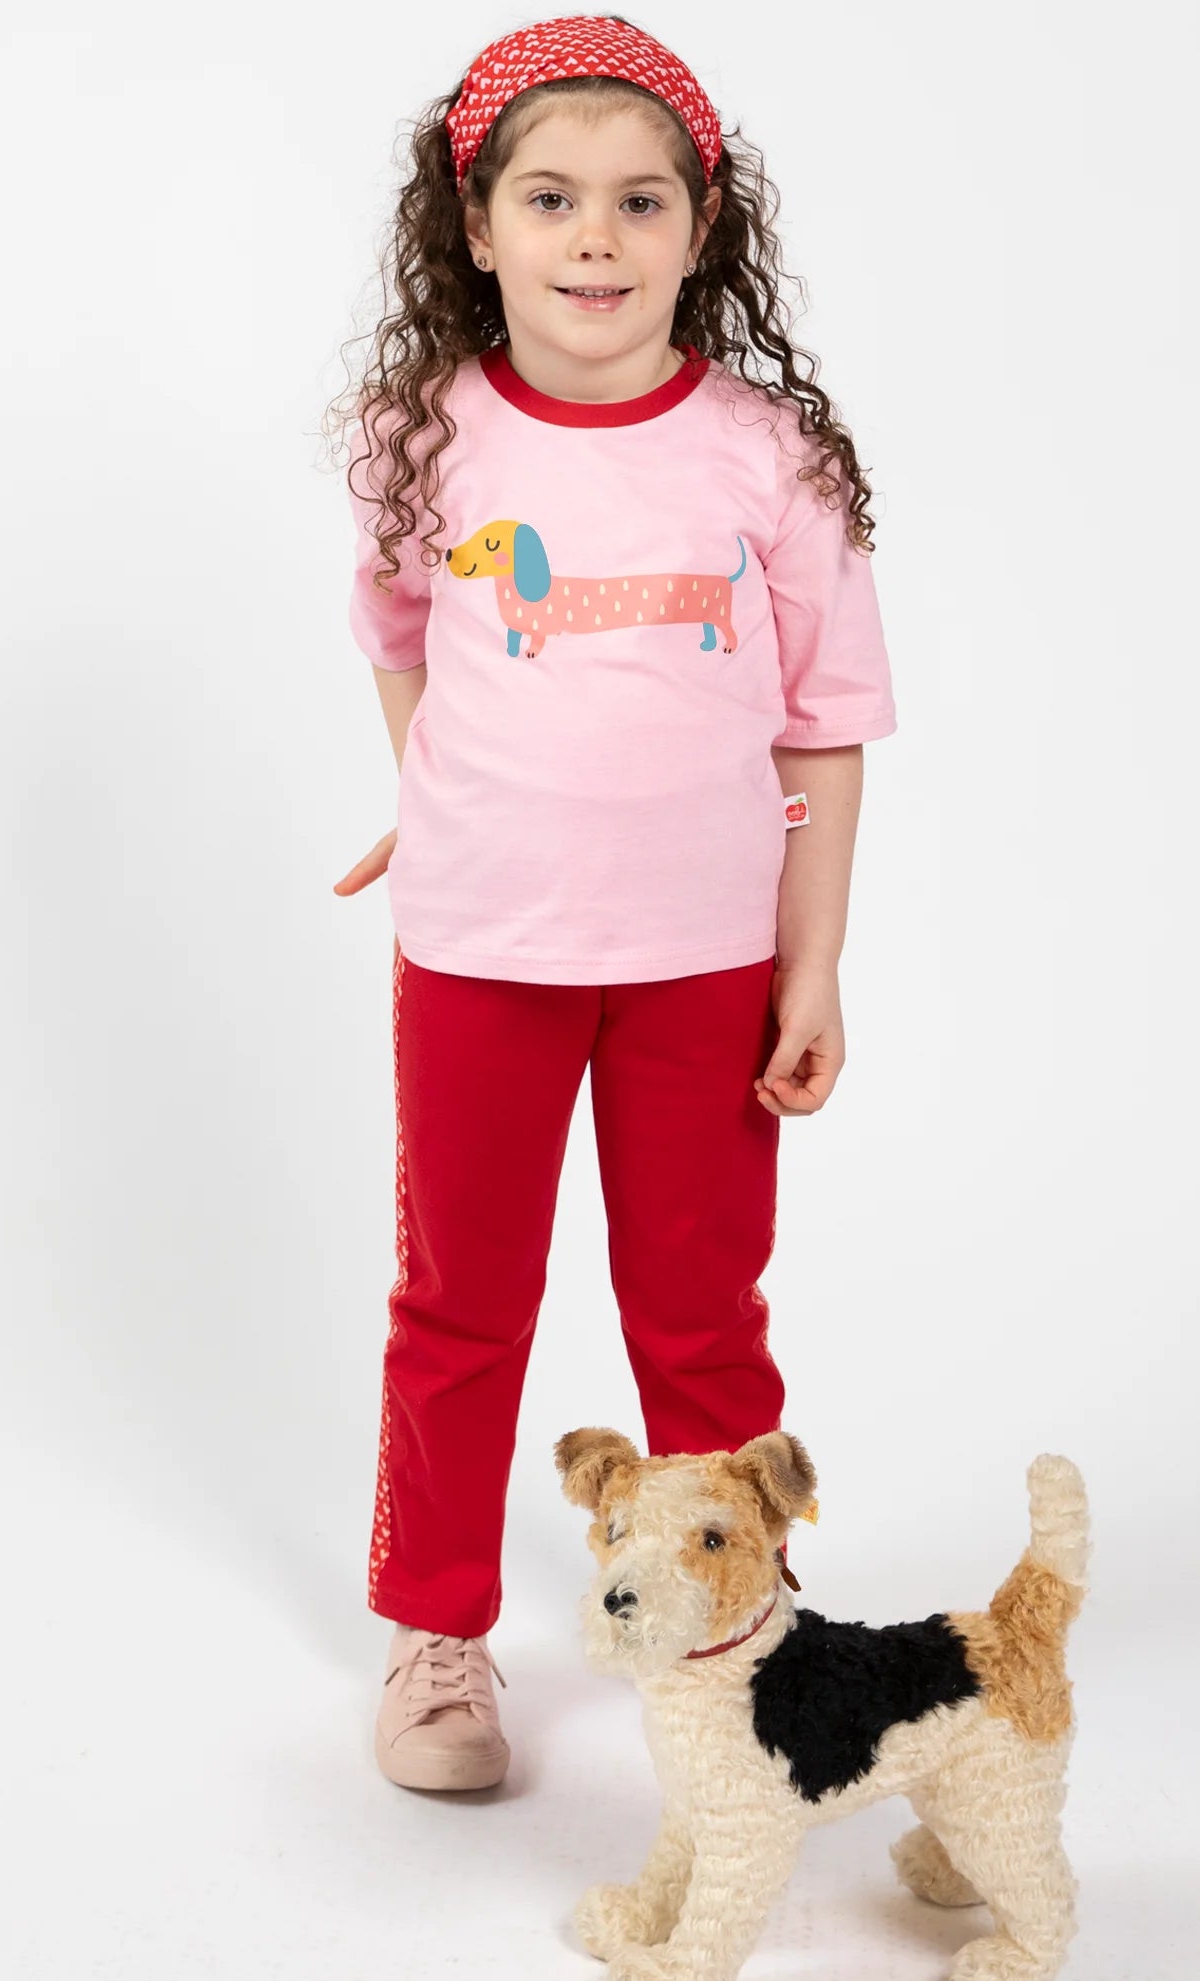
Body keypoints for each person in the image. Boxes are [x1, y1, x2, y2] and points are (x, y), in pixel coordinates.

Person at [327, 14, 897, 1793]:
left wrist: (813, 967)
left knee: (702, 1312)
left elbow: (827, 727)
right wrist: (454, 809)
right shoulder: (423, 438)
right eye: (552, 198)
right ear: (476, 223)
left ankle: (747, 1638)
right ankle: (440, 1632)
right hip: (483, 956)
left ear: (701, 224)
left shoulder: (768, 453)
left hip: (707, 967)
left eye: (640, 202)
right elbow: (411, 652)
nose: (596, 238)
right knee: (462, 1303)